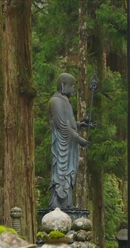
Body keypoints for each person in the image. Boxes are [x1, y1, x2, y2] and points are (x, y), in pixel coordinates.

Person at [48, 73, 90, 209]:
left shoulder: (65, 101)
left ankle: (68, 204)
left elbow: (70, 123)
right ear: (63, 85)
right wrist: (79, 139)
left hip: (69, 144)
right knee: (61, 174)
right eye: (71, 86)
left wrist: (80, 124)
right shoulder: (56, 101)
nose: (73, 89)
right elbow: (62, 126)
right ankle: (58, 205)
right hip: (62, 145)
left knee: (69, 174)